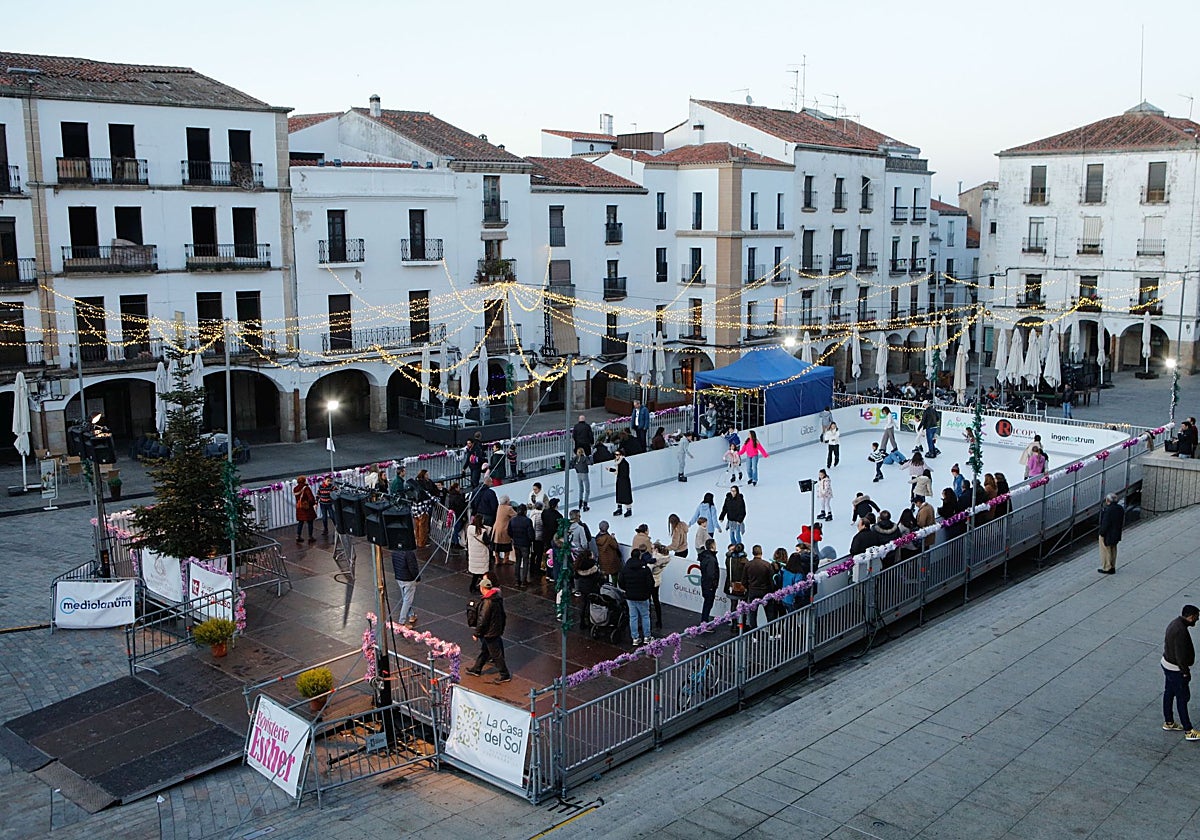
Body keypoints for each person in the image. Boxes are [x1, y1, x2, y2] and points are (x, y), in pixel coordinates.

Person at [1161, 604, 1200, 739]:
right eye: (1196, 617)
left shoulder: (1175, 624)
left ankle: (1169, 722)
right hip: (1176, 669)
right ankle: (1188, 730)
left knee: (1169, 693)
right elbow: (1180, 655)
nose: (1197, 619)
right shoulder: (1180, 631)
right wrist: (1185, 672)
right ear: (1190, 617)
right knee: (1182, 698)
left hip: (1167, 665)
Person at [466, 576, 511, 683]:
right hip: (495, 629)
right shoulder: (497, 598)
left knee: (495, 654)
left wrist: (477, 633)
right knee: (485, 650)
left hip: (490, 632)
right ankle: (477, 669)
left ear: (482, 588)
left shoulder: (487, 602)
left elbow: (483, 620)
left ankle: (505, 674)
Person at [619, 549, 655, 646]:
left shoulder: (625, 569)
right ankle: (647, 637)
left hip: (630, 597)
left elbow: (621, 583)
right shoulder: (645, 569)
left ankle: (635, 638)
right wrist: (647, 593)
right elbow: (651, 583)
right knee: (645, 616)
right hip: (643, 597)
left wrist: (628, 590)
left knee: (633, 617)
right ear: (639, 556)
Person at [742, 544, 774, 630]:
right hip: (765, 591)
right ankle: (772, 633)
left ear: (752, 553)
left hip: (753, 591)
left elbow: (744, 580)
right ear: (761, 552)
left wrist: (748, 588)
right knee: (769, 613)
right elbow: (771, 580)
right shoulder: (767, 565)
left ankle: (754, 634)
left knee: (753, 613)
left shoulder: (748, 565)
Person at [390, 547, 420, 627]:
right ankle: (401, 622)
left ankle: (411, 615)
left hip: (399, 578)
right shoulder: (409, 552)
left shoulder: (395, 550)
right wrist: (417, 578)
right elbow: (413, 567)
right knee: (407, 601)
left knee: (405, 598)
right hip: (408, 580)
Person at [1097, 493, 1125, 574]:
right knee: (1113, 549)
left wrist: (1101, 533)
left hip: (1108, 533)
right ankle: (1113, 566)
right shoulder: (1120, 508)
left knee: (1106, 550)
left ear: (1108, 500)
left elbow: (1105, 523)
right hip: (1117, 532)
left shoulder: (1108, 510)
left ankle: (1107, 567)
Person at [724, 543, 748, 634]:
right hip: (742, 587)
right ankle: (743, 624)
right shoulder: (745, 561)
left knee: (733, 606)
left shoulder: (729, 560)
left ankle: (734, 625)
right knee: (743, 606)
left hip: (731, 586)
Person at [509, 504, 535, 588]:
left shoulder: (513, 520)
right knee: (526, 562)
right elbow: (531, 535)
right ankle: (524, 581)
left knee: (518, 561)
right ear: (525, 511)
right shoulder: (527, 521)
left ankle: (517, 580)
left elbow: (509, 532)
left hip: (516, 543)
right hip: (525, 544)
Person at [465, 514, 493, 593]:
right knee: (483, 574)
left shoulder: (470, 529)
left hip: (474, 556)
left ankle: (473, 587)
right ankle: (483, 588)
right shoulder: (482, 532)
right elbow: (487, 541)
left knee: (476, 574)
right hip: (481, 556)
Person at [647, 542, 671, 630]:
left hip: (651, 581)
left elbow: (648, 569)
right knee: (656, 601)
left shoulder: (655, 560)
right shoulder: (665, 559)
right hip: (657, 581)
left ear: (656, 550)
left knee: (648, 601)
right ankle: (659, 621)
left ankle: (648, 620)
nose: (651, 550)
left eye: (653, 548)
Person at [698, 538, 720, 623]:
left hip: (706, 584)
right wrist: (712, 585)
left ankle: (704, 621)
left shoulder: (707, 557)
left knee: (707, 604)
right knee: (708, 604)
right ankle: (704, 622)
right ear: (712, 546)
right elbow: (710, 574)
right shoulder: (710, 559)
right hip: (709, 586)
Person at [607, 450, 633, 517]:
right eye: (615, 454)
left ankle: (629, 510)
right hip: (620, 481)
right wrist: (610, 469)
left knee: (626, 495)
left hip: (624, 482)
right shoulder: (618, 463)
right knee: (619, 494)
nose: (616, 456)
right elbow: (617, 471)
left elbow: (623, 473)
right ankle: (619, 508)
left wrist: (613, 470)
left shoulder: (624, 463)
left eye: (617, 454)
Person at [293, 475, 317, 544]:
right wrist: (311, 503)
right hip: (307, 507)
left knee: (300, 522)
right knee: (310, 522)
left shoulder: (295, 489)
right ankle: (310, 536)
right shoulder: (306, 488)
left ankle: (298, 536)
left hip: (299, 507)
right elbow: (311, 498)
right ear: (304, 481)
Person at [447, 482, 468, 549]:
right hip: (458, 515)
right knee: (456, 528)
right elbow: (461, 506)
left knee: (454, 528)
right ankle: (456, 543)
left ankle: (453, 542)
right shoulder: (458, 497)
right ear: (456, 488)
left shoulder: (450, 495)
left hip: (453, 514)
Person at [573, 447, 592, 512]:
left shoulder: (576, 458)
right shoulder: (584, 458)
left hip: (578, 474)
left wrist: (576, 468)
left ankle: (580, 503)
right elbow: (590, 463)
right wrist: (590, 457)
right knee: (587, 490)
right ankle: (585, 504)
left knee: (581, 489)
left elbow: (572, 464)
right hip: (584, 474)